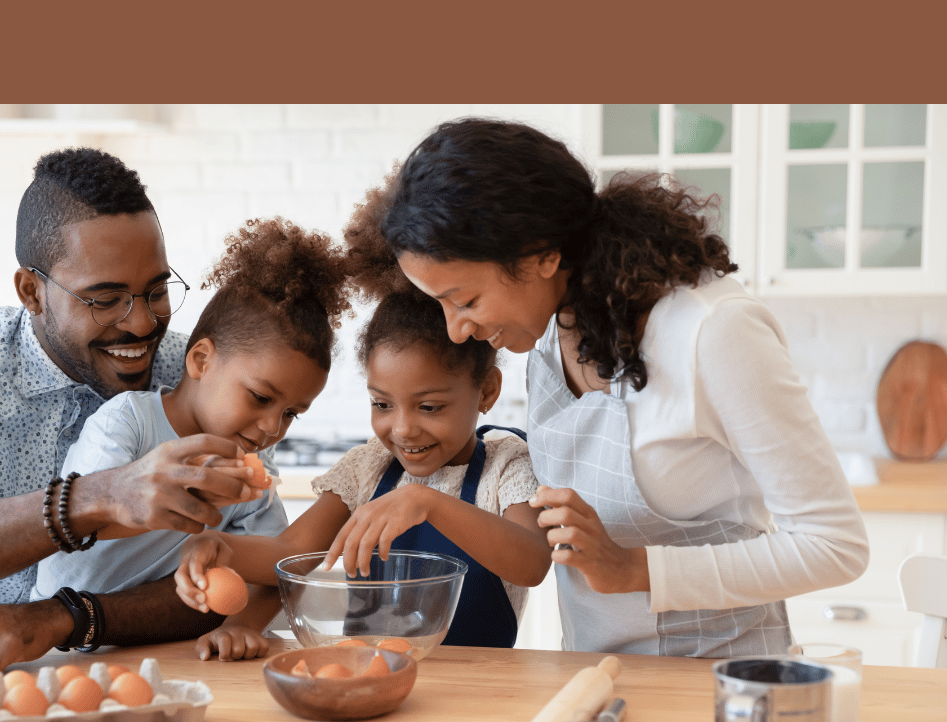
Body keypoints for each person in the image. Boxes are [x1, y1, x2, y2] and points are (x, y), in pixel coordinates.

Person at [345, 118, 870, 657]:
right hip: (597, 675)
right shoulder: (547, 331)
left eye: (466, 300)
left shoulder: (713, 332)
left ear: (540, 257)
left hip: (719, 681)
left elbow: (834, 546)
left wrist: (632, 568)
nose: (457, 329)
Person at [0, 148, 258, 676]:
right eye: (106, 299)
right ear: (32, 292)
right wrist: (101, 496)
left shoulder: (193, 369)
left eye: (156, 291)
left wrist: (66, 618)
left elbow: (235, 567)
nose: (144, 323)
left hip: (141, 664)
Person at [32, 217, 354, 660]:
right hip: (61, 646)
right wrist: (186, 495)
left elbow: (275, 572)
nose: (272, 427)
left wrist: (241, 627)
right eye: (260, 397)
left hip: (162, 646)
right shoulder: (129, 422)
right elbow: (84, 524)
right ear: (201, 359)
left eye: (291, 413)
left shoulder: (254, 476)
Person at [174, 284, 552, 658]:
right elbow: (293, 553)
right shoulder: (367, 468)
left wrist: (425, 501)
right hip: (368, 678)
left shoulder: (506, 466)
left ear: (486, 391)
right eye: (382, 404)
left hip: (480, 686)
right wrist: (222, 549)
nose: (402, 428)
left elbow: (533, 562)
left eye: (430, 407)